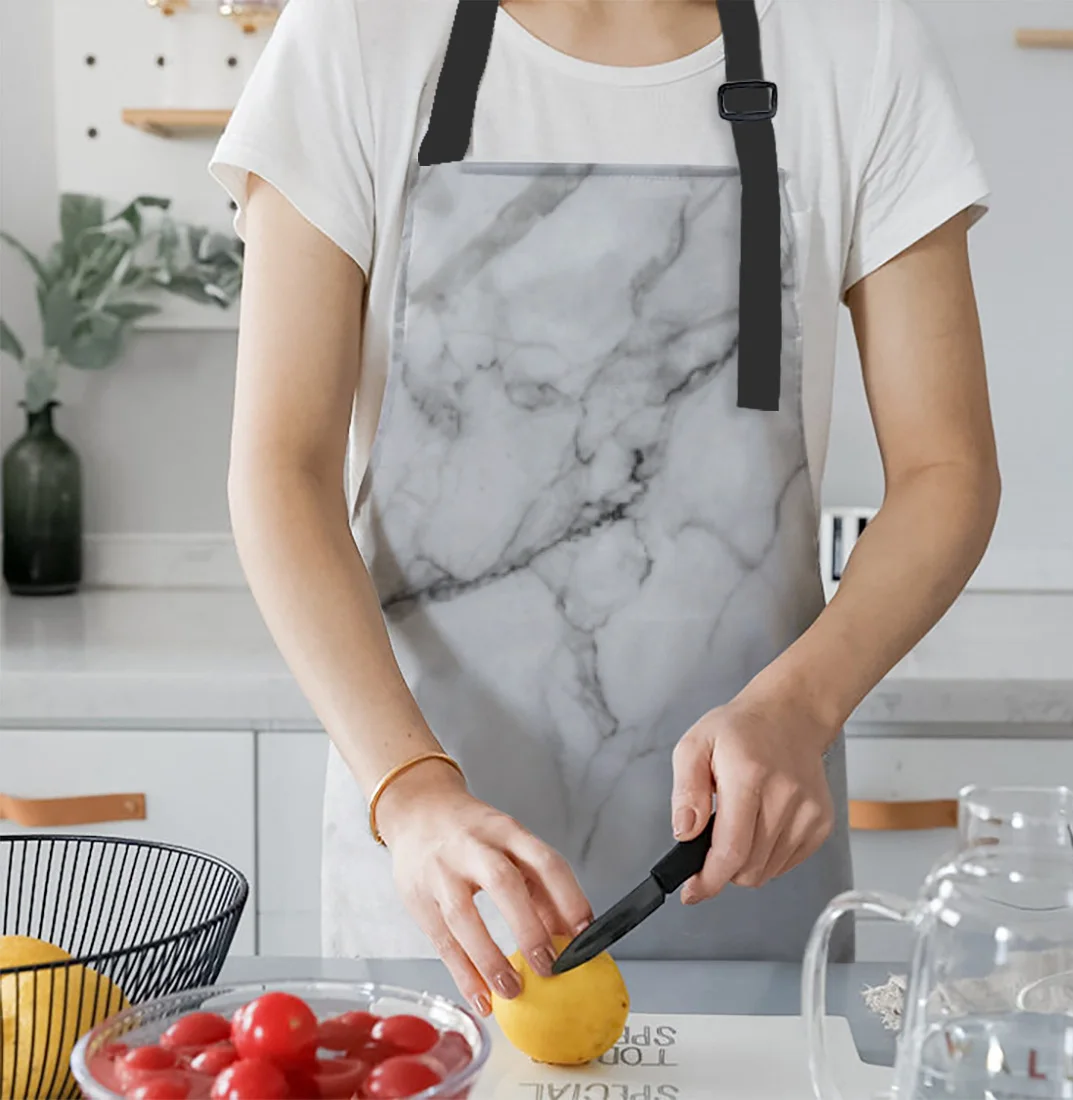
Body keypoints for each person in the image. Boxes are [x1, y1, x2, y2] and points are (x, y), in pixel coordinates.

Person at [210, 0, 1000, 1018]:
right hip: (437, 886)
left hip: (737, 858)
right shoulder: (355, 33)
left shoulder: (857, 42)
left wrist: (800, 706)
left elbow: (946, 469)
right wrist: (409, 788)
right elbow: (280, 469)